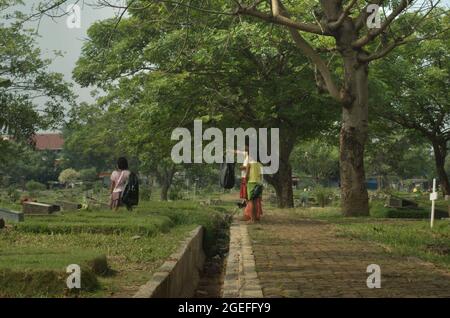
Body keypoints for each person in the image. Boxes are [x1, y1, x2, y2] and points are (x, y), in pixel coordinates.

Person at [243, 153, 263, 223]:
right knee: (256, 202)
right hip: (258, 183)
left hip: (251, 183)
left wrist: (245, 181)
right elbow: (260, 176)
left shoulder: (249, 164)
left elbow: (247, 174)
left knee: (251, 202)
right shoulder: (259, 164)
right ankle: (256, 218)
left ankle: (252, 219)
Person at [238, 144, 249, 208]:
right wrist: (230, 150)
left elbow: (248, 167)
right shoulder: (246, 154)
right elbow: (238, 152)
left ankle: (245, 203)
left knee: (246, 190)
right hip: (244, 176)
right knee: (244, 190)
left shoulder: (250, 157)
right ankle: (244, 202)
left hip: (246, 176)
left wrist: (242, 167)